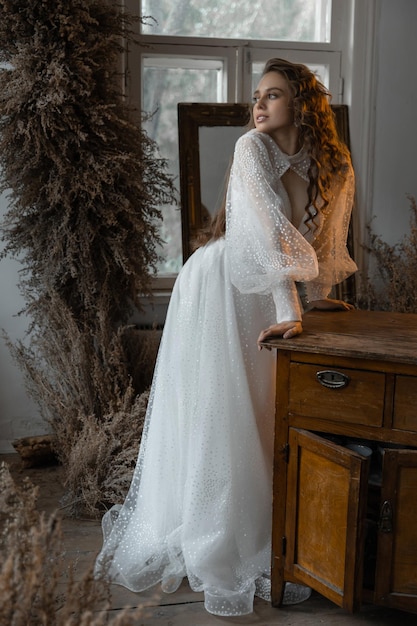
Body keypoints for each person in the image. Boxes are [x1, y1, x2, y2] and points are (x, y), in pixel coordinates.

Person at [94, 58, 357, 617]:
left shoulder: (336, 163)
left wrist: (315, 301)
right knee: (224, 413)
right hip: (226, 287)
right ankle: (220, 533)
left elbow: (325, 244)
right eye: (257, 95)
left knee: (268, 410)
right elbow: (267, 241)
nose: (259, 105)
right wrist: (294, 313)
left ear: (303, 105)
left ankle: (287, 532)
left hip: (274, 292)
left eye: (274, 95)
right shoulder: (251, 149)